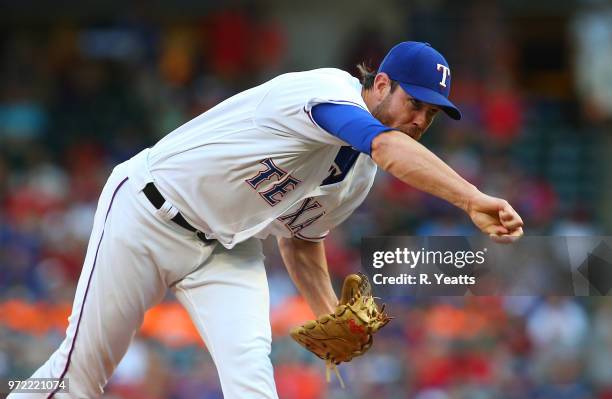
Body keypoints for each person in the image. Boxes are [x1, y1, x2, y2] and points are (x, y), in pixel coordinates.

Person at [11, 41, 523, 398]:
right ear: (381, 84)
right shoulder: (327, 91)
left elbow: (301, 240)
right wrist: (472, 197)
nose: (420, 120)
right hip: (147, 211)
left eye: (432, 114)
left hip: (225, 247)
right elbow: (387, 147)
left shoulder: (358, 176)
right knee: (78, 378)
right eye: (415, 103)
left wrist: (332, 317)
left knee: (253, 380)